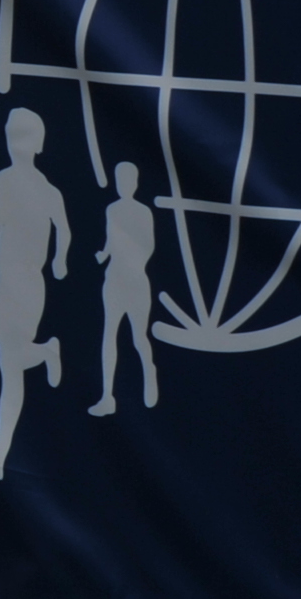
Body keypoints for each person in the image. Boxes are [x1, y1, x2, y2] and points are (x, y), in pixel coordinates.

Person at [0, 107, 73, 479]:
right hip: (11, 282)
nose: (14, 143)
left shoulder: (13, 182)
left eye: (21, 136)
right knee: (9, 356)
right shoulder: (30, 185)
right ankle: (45, 351)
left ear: (37, 144)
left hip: (23, 283)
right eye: (12, 135)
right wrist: (59, 258)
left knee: (9, 365)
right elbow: (62, 230)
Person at [91, 160, 163, 416]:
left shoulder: (144, 212)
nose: (124, 185)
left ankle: (149, 372)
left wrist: (132, 258)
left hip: (136, 282)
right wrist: (104, 253)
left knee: (138, 336)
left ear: (135, 183)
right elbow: (111, 239)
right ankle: (107, 396)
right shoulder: (112, 209)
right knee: (109, 334)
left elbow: (148, 245)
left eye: (128, 180)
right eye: (120, 180)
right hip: (113, 280)